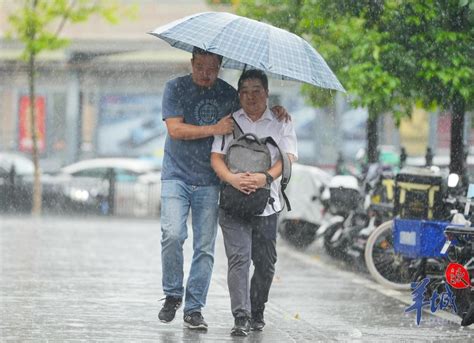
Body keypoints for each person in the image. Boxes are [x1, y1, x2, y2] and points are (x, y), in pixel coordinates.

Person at [158, 47, 289, 330]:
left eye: (212, 68)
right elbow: (175, 130)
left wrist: (276, 109)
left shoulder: (229, 93)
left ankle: (194, 309)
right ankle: (172, 293)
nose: (206, 74)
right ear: (191, 63)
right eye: (200, 67)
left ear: (220, 66)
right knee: (173, 234)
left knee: (205, 247)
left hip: (209, 181)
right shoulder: (175, 88)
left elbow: (252, 107)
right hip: (176, 175)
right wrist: (214, 128)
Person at [210, 69, 297, 336]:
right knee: (239, 259)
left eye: (257, 90)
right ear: (239, 94)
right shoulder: (229, 122)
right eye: (245, 91)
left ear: (267, 93)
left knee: (265, 262)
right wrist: (232, 180)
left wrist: (265, 177)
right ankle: (241, 316)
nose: (251, 96)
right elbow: (216, 157)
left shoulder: (281, 121)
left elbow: (290, 156)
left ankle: (257, 308)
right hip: (233, 202)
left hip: (267, 203)